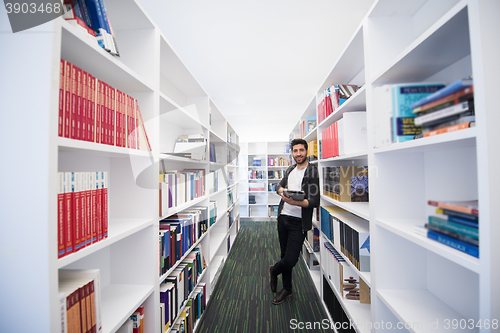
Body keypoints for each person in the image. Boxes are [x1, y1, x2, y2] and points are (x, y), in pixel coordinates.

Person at [269, 138, 320, 305]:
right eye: (295, 151)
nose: (298, 153)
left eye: (301, 150)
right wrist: (284, 191)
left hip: (299, 221)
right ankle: (287, 289)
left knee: (291, 259)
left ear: (306, 151)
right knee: (285, 254)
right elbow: (278, 187)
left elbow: (314, 201)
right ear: (292, 152)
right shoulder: (290, 169)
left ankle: (274, 270)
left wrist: (295, 201)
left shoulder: (312, 172)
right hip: (283, 217)